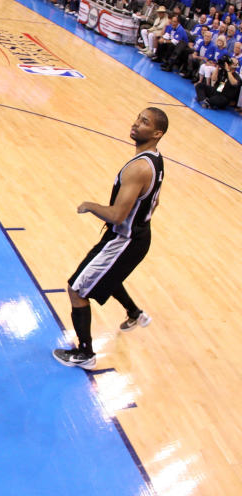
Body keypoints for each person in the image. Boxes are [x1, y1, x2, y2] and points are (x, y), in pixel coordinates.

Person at [53, 108, 167, 369]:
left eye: (144, 122)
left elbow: (116, 215)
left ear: (157, 133)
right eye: (138, 118)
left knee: (76, 289)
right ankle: (135, 313)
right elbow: (156, 199)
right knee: (108, 276)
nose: (136, 124)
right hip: (136, 236)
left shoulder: (138, 168)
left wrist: (90, 205)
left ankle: (85, 354)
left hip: (124, 240)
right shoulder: (156, 160)